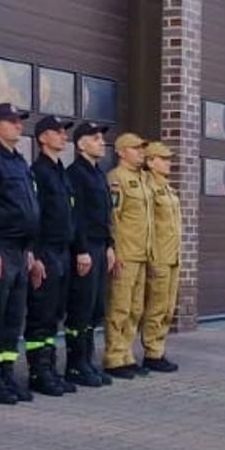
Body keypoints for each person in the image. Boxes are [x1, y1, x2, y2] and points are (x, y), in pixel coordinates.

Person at [0, 103, 41, 404]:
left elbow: (27, 208)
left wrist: (28, 249)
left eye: (19, 121)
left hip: (19, 250)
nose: (18, 125)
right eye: (11, 121)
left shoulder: (19, 161)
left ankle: (6, 372)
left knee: (14, 316)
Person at [24, 115, 77, 396]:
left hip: (63, 251)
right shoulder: (39, 172)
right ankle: (38, 372)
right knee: (41, 314)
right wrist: (37, 255)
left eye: (64, 132)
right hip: (46, 252)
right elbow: (35, 217)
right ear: (43, 137)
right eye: (58, 132)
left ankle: (51, 368)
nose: (63, 136)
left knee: (55, 312)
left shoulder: (60, 172)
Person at [63, 122, 114, 388]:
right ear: (81, 144)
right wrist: (82, 249)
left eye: (101, 138)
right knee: (81, 307)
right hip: (84, 249)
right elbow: (77, 217)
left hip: (99, 247)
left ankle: (87, 360)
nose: (101, 142)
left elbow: (105, 215)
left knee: (95, 308)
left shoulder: (98, 173)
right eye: (95, 138)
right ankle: (75, 364)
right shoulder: (76, 174)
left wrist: (109, 245)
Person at [104, 133, 152, 379]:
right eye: (135, 148)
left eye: (142, 149)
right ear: (121, 152)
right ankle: (114, 357)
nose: (141, 152)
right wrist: (116, 250)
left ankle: (127, 355)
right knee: (119, 307)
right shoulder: (116, 179)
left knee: (135, 309)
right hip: (126, 254)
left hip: (142, 254)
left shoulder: (143, 179)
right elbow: (113, 218)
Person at [139, 140, 185, 373]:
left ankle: (158, 348)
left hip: (172, 255)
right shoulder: (147, 187)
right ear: (150, 161)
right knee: (155, 306)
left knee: (167, 307)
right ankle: (152, 353)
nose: (169, 163)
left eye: (169, 159)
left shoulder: (167, 187)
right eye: (164, 159)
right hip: (158, 256)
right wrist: (151, 256)